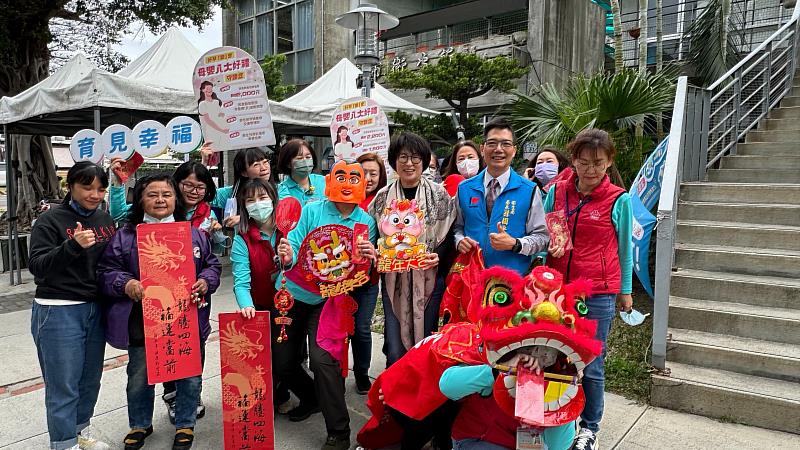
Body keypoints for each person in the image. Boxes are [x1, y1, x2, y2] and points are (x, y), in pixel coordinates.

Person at [97, 174, 221, 450]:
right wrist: (126, 283)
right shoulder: (126, 236)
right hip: (142, 321)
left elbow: (212, 266)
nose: (160, 200)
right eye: (152, 194)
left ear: (175, 199)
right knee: (139, 376)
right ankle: (140, 423)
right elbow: (106, 271)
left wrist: (206, 281)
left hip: (186, 318)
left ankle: (185, 423)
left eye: (166, 194)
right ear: (140, 200)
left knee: (189, 375)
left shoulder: (194, 234)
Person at [279, 160, 379, 450]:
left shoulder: (365, 222)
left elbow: (359, 270)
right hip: (294, 293)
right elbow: (295, 244)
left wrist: (368, 257)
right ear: (330, 180)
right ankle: (312, 398)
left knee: (323, 360)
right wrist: (287, 254)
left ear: (362, 185)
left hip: (329, 301)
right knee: (283, 362)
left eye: (353, 178)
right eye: (341, 177)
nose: (346, 183)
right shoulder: (312, 210)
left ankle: (339, 430)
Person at [543, 129, 633, 450]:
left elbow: (625, 249)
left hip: (597, 294)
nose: (590, 170)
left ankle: (589, 428)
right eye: (583, 162)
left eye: (597, 163)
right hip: (556, 291)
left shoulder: (619, 199)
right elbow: (545, 232)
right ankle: (551, 416)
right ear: (574, 161)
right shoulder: (556, 193)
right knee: (551, 355)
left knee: (591, 363)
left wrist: (625, 290)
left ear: (609, 161)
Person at [29, 162, 116, 450]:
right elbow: (38, 267)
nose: (94, 194)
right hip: (58, 309)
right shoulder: (50, 220)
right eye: (87, 187)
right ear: (71, 187)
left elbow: (110, 263)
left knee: (90, 380)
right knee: (63, 385)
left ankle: (79, 432)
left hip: (94, 308)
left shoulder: (105, 219)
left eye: (100, 188)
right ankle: (63, 444)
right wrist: (73, 245)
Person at [369, 132, 454, 367]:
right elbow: (373, 237)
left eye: (415, 158)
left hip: (429, 278)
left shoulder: (439, 196)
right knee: (395, 347)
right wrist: (375, 252)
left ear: (424, 161)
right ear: (394, 161)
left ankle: (418, 398)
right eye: (403, 157)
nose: (409, 163)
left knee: (424, 341)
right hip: (392, 280)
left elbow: (448, 233)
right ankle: (393, 397)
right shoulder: (382, 198)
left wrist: (440, 255)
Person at [229, 178, 314, 412]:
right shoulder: (242, 239)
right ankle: (280, 397)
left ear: (274, 199)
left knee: (288, 360)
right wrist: (247, 305)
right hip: (264, 307)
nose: (257, 204)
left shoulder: (292, 229)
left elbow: (306, 261)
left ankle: (311, 397)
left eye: (262, 198)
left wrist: (290, 256)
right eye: (250, 200)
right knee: (275, 360)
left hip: (297, 304)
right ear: (243, 207)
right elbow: (241, 281)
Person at [453, 118, 549, 275]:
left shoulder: (529, 190)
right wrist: (459, 241)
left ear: (514, 150)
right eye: (492, 143)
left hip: (511, 281)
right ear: (482, 149)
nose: (498, 149)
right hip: (471, 278)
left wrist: (515, 243)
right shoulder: (464, 188)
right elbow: (457, 227)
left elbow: (542, 237)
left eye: (505, 144)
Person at [349, 152, 388, 394]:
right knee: (339, 328)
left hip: (368, 280)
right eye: (363, 173)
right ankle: (336, 371)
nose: (368, 178)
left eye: (374, 173)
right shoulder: (344, 200)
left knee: (362, 327)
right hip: (339, 279)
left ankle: (362, 373)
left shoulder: (385, 202)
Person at [208, 146, 273, 227]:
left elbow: (284, 215)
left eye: (265, 162)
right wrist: (204, 162)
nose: (264, 168)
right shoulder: (232, 193)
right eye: (256, 165)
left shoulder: (281, 190)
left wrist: (243, 219)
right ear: (243, 172)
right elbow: (205, 195)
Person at [276, 139, 327, 205]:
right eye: (299, 158)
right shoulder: (281, 190)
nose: (305, 161)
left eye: (308, 157)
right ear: (288, 163)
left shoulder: (324, 181)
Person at [197, 81, 229, 149]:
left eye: (211, 88)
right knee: (213, 149)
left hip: (222, 129)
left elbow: (219, 113)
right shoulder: (202, 104)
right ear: (203, 90)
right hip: (212, 131)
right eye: (207, 88)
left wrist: (221, 115)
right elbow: (208, 121)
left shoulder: (216, 101)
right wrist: (221, 130)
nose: (209, 90)